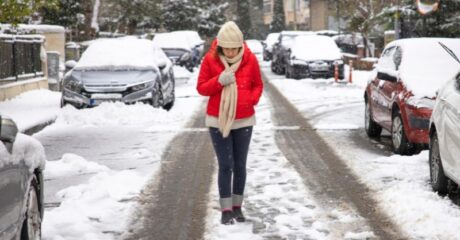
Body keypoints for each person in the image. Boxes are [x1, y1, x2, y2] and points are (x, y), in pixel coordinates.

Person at [196, 21, 263, 225]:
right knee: (226, 165)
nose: (232, 52)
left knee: (240, 165)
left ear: (240, 45)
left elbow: (258, 84)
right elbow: (201, 88)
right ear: (220, 46)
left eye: (235, 48)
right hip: (218, 121)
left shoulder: (250, 60)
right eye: (228, 48)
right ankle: (226, 209)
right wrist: (219, 80)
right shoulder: (210, 60)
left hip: (244, 120)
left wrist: (250, 100)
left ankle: (237, 207)